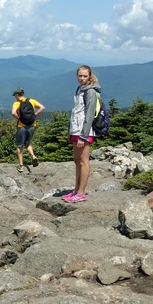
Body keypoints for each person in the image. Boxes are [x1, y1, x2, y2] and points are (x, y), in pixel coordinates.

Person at [63, 64, 100, 203]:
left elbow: (89, 115)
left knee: (83, 162)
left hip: (84, 132)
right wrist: (70, 132)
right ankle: (76, 190)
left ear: (89, 76)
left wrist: (83, 136)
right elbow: (75, 112)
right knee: (77, 161)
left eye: (85, 76)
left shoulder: (90, 92)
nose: (82, 78)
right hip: (76, 130)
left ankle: (81, 192)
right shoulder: (80, 89)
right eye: (80, 76)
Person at [11, 88, 45, 172]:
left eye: (15, 95)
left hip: (22, 126)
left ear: (17, 95)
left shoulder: (17, 103)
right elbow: (42, 108)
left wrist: (18, 118)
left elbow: (13, 112)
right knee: (27, 143)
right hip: (32, 126)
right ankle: (33, 156)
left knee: (20, 145)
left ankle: (21, 166)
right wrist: (35, 115)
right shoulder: (31, 101)